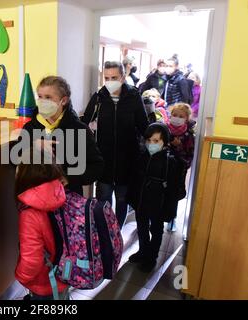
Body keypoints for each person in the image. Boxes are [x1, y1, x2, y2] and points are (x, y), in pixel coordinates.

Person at [81, 61, 149, 228]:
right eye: (106, 77)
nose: (110, 81)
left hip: (127, 160)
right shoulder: (98, 98)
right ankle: (105, 232)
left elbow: (143, 125)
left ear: (123, 77)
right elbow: (83, 123)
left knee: (122, 199)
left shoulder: (134, 97)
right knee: (103, 199)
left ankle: (117, 232)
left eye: (114, 77)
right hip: (104, 160)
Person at [20, 76, 104, 196]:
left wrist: (69, 178)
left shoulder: (79, 130)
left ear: (63, 101)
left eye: (48, 97)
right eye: (40, 96)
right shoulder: (29, 128)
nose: (42, 102)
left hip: (68, 200)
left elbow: (96, 166)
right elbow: (16, 157)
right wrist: (34, 146)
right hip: (36, 199)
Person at [15, 148, 69, 300]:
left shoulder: (29, 214)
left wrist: (21, 276)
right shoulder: (61, 194)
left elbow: (32, 260)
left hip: (44, 284)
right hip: (65, 273)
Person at [127, 123, 183, 272]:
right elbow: (134, 180)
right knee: (142, 228)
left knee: (156, 230)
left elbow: (173, 190)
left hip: (158, 205)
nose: (151, 144)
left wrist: (169, 210)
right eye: (149, 140)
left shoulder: (170, 162)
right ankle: (143, 251)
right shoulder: (142, 156)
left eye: (156, 141)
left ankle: (151, 257)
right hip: (141, 202)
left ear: (165, 141)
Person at [165, 103, 196, 232]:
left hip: (178, 170)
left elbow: (190, 155)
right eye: (174, 115)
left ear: (187, 118)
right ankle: (154, 217)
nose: (177, 118)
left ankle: (172, 218)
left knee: (174, 194)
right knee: (159, 193)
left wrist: (178, 148)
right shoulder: (164, 129)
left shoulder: (188, 135)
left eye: (181, 116)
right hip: (162, 168)